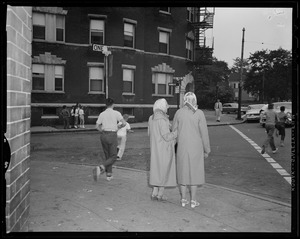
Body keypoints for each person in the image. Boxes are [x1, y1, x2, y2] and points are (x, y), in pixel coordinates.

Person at [172, 92, 210, 209]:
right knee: (194, 174)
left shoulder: (178, 113)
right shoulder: (199, 113)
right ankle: (193, 200)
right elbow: (204, 133)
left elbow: (174, 131)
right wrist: (206, 149)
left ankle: (183, 199)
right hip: (196, 148)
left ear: (184, 100)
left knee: (183, 172)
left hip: (182, 147)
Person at [148, 98, 177, 201]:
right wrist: (176, 133)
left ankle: (154, 193)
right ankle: (160, 194)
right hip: (164, 149)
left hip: (155, 148)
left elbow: (150, 133)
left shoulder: (151, 118)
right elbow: (166, 136)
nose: (167, 107)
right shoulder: (163, 119)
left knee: (157, 171)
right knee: (164, 171)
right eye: (166, 105)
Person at [93, 98, 126, 181]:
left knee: (108, 155)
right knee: (114, 156)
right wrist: (118, 127)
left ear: (106, 105)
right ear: (113, 104)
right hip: (112, 135)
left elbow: (96, 126)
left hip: (104, 135)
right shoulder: (116, 113)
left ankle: (109, 175)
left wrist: (103, 131)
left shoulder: (102, 114)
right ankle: (101, 167)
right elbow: (124, 123)